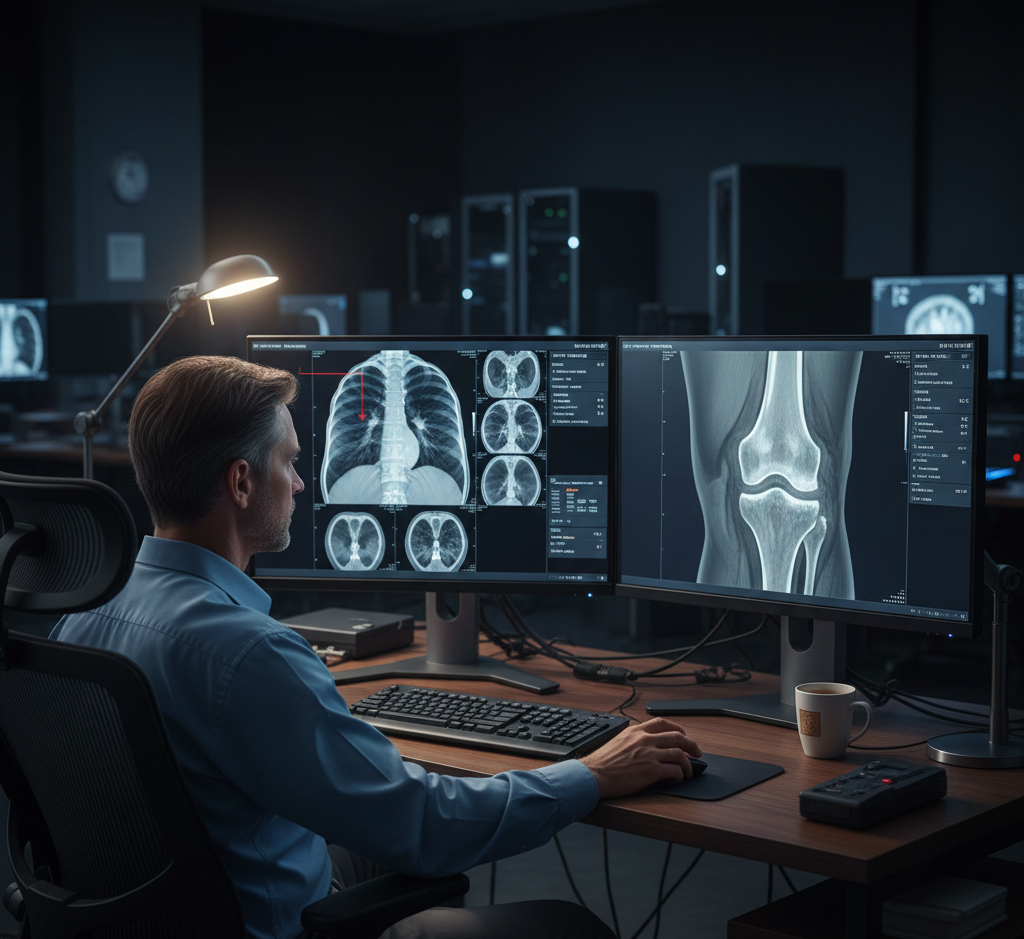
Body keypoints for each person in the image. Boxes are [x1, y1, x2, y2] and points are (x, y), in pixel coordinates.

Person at [51, 356, 703, 939]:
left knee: (374, 835)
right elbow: (425, 825)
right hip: (266, 919)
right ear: (242, 482)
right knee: (566, 924)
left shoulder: (83, 613)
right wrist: (592, 774)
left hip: (157, 910)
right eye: (291, 461)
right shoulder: (248, 653)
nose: (303, 484)